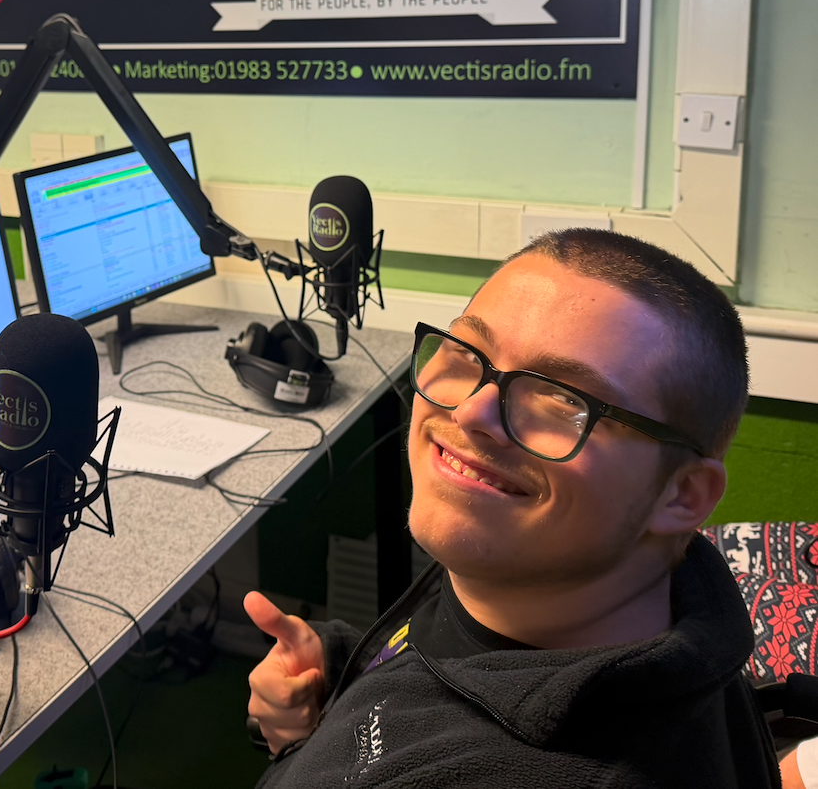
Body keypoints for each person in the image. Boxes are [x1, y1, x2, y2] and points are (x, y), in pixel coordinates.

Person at [244, 229, 780, 788]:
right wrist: (338, 678)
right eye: (464, 353)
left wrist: (299, 757)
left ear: (682, 493)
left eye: (564, 399)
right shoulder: (546, 577)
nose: (472, 412)